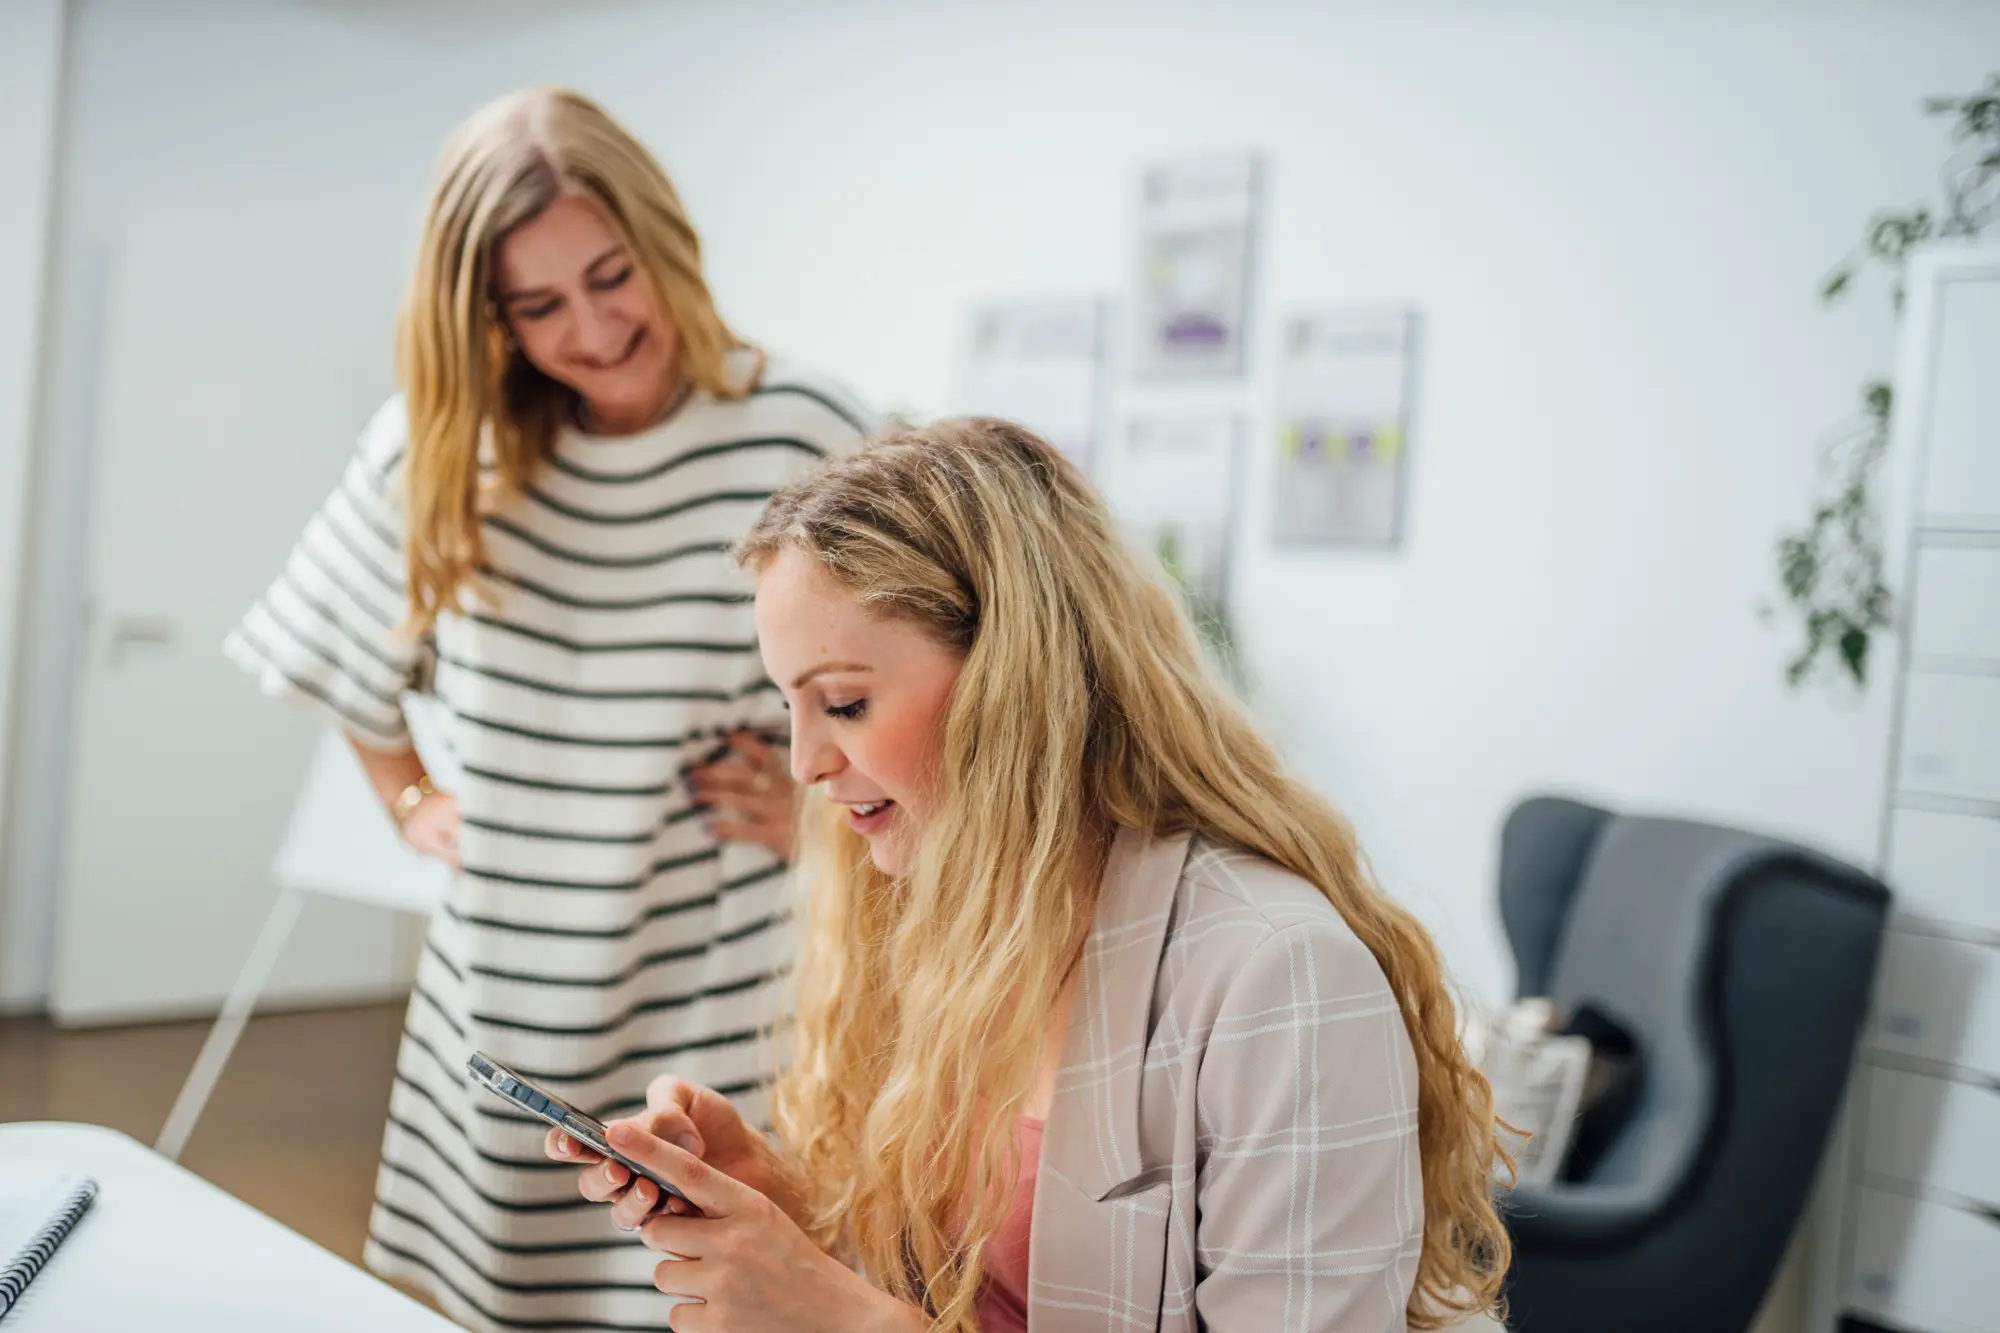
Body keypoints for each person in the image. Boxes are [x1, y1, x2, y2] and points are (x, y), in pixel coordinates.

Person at [547, 418, 1511, 1332]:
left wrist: (842, 1318)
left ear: (1013, 680)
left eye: (842, 703)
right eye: (788, 705)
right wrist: (789, 1216)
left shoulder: (1279, 975)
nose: (803, 763)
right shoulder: (949, 918)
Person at [225, 86, 869, 1331]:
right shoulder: (439, 445)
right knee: (506, 1296)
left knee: (711, 1284)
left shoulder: (808, 430)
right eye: (538, 305)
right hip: (507, 984)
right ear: (488, 316)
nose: (594, 326)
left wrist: (817, 821)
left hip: (722, 974)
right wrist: (407, 797)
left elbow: (919, 691)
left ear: (663, 241)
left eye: (611, 274)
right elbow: (330, 642)